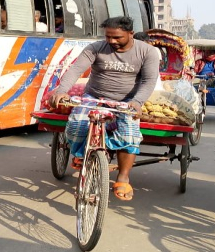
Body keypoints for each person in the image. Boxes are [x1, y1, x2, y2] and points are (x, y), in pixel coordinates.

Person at [50, 16, 159, 202]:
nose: (112, 41)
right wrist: (61, 91)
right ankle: (81, 153)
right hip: (94, 97)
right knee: (76, 125)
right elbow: (76, 70)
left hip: (127, 101)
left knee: (130, 135)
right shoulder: (96, 48)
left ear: (131, 34)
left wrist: (137, 102)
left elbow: (149, 81)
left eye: (117, 38)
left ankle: (123, 177)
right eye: (108, 37)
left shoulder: (147, 52)